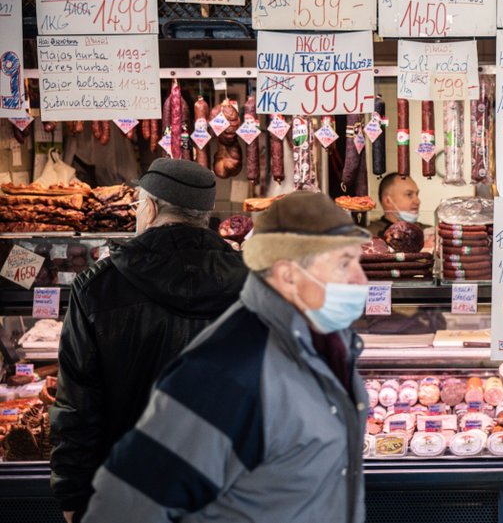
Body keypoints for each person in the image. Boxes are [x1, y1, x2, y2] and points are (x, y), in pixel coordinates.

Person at [83, 191, 371, 523]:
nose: (361, 280)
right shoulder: (229, 371)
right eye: (343, 263)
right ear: (289, 274)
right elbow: (124, 508)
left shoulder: (327, 351)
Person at [49, 159, 248, 523]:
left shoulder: (97, 286)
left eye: (139, 202)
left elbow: (77, 404)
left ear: (151, 207)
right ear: (203, 214)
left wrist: (72, 494)